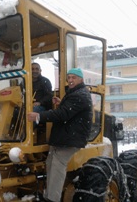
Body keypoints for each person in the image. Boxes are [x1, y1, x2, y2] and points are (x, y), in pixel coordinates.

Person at [27, 68, 93, 202]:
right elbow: (67, 109)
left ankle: (52, 199)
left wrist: (39, 116)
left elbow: (63, 114)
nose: (70, 80)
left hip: (70, 139)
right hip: (64, 137)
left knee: (57, 167)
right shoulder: (76, 93)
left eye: (73, 77)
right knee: (50, 162)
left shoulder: (80, 95)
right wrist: (61, 102)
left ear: (81, 79)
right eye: (69, 77)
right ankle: (48, 195)